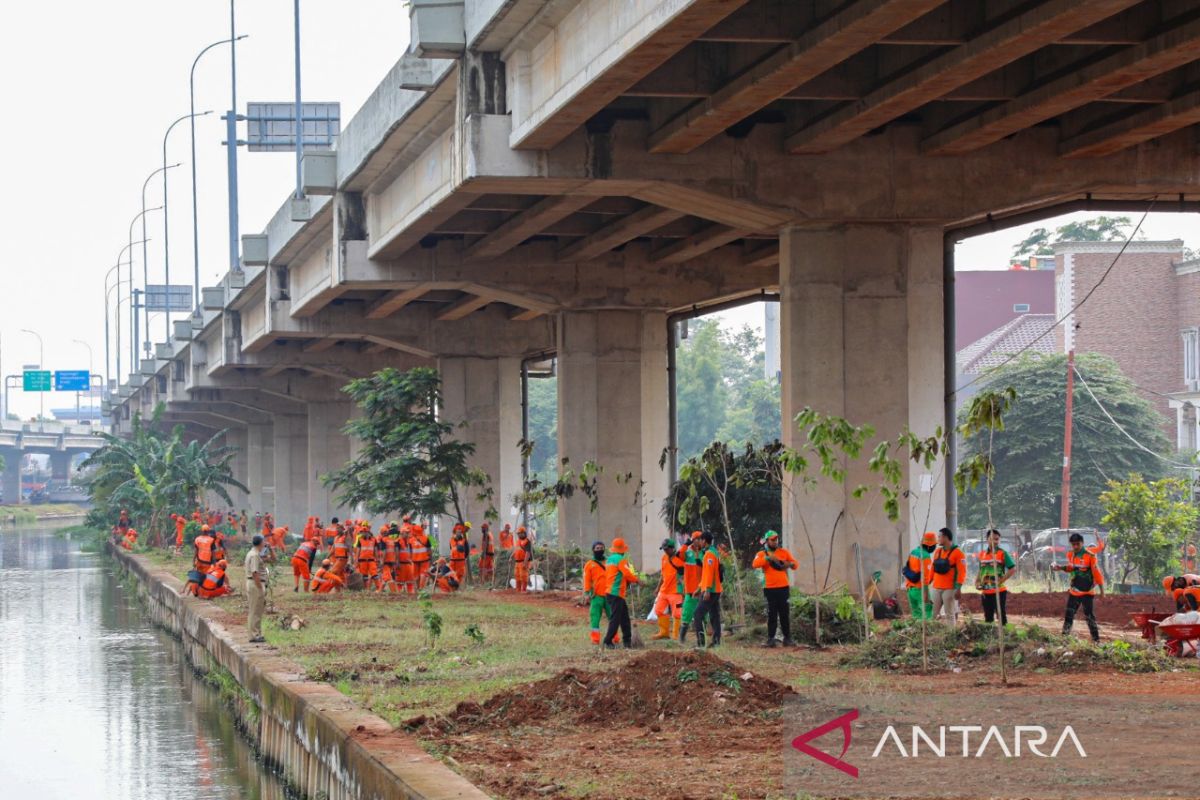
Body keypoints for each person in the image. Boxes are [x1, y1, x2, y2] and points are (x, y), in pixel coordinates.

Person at [1052, 532, 1104, 643]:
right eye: (1073, 544)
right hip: (1074, 591)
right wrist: (1060, 568)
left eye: (1077, 544)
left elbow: (1097, 573)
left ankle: (1096, 641)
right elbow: (1071, 568)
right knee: (1069, 614)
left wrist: (1102, 591)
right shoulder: (1070, 555)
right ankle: (1064, 638)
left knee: (1089, 617)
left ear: (1082, 543)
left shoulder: (1090, 555)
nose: (1075, 546)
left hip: (1087, 592)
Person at [751, 530, 798, 647]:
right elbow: (755, 564)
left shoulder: (783, 552)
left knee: (784, 614)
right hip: (769, 589)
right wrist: (767, 559)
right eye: (772, 539)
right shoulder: (762, 554)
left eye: (776, 539)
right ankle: (771, 639)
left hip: (783, 588)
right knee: (772, 614)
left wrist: (789, 564)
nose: (775, 541)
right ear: (767, 541)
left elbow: (795, 565)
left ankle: (787, 639)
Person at [602, 537, 639, 649]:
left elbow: (615, 574)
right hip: (616, 593)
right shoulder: (621, 560)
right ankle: (607, 641)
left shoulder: (609, 560)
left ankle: (627, 641)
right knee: (616, 618)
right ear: (623, 550)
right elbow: (627, 574)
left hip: (612, 592)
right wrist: (637, 580)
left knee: (624, 618)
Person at [976, 528, 1016, 625]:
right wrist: (977, 581)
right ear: (987, 539)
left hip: (999, 591)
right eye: (993, 539)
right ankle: (990, 637)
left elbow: (1012, 569)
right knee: (988, 616)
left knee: (1001, 615)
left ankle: (1004, 636)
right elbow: (981, 570)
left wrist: (1001, 581)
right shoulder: (982, 554)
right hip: (985, 590)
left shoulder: (1002, 553)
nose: (995, 541)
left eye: (997, 539)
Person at [929, 528, 965, 625]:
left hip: (950, 589)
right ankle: (931, 635)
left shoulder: (958, 553)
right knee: (932, 614)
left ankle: (951, 636)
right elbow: (933, 568)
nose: (938, 539)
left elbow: (962, 572)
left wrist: (958, 588)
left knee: (949, 614)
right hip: (936, 587)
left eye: (939, 537)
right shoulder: (938, 552)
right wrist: (928, 582)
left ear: (945, 537)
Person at [651, 539, 686, 640]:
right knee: (658, 610)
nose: (665, 551)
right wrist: (658, 588)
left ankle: (675, 635)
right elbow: (662, 574)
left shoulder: (680, 560)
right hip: (664, 591)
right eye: (664, 549)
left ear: (672, 548)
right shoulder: (664, 558)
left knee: (677, 613)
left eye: (667, 549)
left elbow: (685, 574)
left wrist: (683, 584)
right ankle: (664, 632)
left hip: (676, 592)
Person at [693, 531, 723, 648]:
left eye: (700, 540)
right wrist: (700, 588)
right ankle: (716, 642)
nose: (698, 542)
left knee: (697, 614)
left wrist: (707, 590)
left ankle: (701, 643)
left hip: (712, 590)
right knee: (714, 616)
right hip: (714, 589)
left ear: (704, 541)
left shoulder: (709, 554)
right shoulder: (712, 552)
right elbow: (706, 575)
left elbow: (709, 574)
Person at [583, 541, 613, 645]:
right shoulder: (589, 564)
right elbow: (586, 580)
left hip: (610, 595)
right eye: (597, 548)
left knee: (612, 618)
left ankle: (614, 639)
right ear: (593, 550)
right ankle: (595, 640)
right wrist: (586, 593)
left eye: (601, 548)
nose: (599, 550)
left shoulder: (609, 562)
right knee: (595, 618)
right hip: (596, 596)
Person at [678, 532, 704, 643]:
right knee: (686, 614)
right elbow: (679, 556)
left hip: (702, 589)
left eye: (700, 539)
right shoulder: (687, 552)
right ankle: (682, 639)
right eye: (696, 539)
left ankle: (702, 639)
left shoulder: (704, 553)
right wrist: (685, 545)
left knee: (703, 616)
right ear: (692, 540)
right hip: (690, 590)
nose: (698, 541)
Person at [903, 532, 936, 620]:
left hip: (910, 589)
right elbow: (925, 577)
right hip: (920, 590)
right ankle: (926, 632)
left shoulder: (913, 552)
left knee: (916, 613)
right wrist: (925, 593)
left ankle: (917, 630)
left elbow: (907, 568)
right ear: (929, 545)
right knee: (927, 611)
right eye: (934, 545)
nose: (934, 547)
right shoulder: (925, 556)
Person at [244, 535, 267, 643]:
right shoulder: (254, 555)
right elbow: (255, 572)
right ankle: (254, 635)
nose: (265, 543)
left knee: (256, 610)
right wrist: (260, 587)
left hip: (253, 583)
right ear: (260, 543)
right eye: (264, 542)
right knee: (255, 610)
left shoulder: (253, 553)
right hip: (255, 584)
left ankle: (256, 633)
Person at [356, 525, 380, 591]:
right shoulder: (360, 540)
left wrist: (377, 560)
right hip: (362, 560)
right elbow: (358, 551)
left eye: (364, 532)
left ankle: (378, 588)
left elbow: (375, 550)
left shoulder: (373, 540)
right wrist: (356, 561)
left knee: (374, 574)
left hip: (371, 560)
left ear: (368, 532)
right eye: (362, 532)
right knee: (364, 576)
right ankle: (366, 589)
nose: (362, 534)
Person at [409, 524, 432, 589]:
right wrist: (430, 558)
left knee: (415, 574)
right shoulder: (426, 538)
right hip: (424, 559)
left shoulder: (411, 540)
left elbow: (410, 551)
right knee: (423, 574)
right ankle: (421, 588)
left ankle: (416, 588)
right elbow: (429, 549)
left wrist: (410, 559)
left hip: (414, 560)